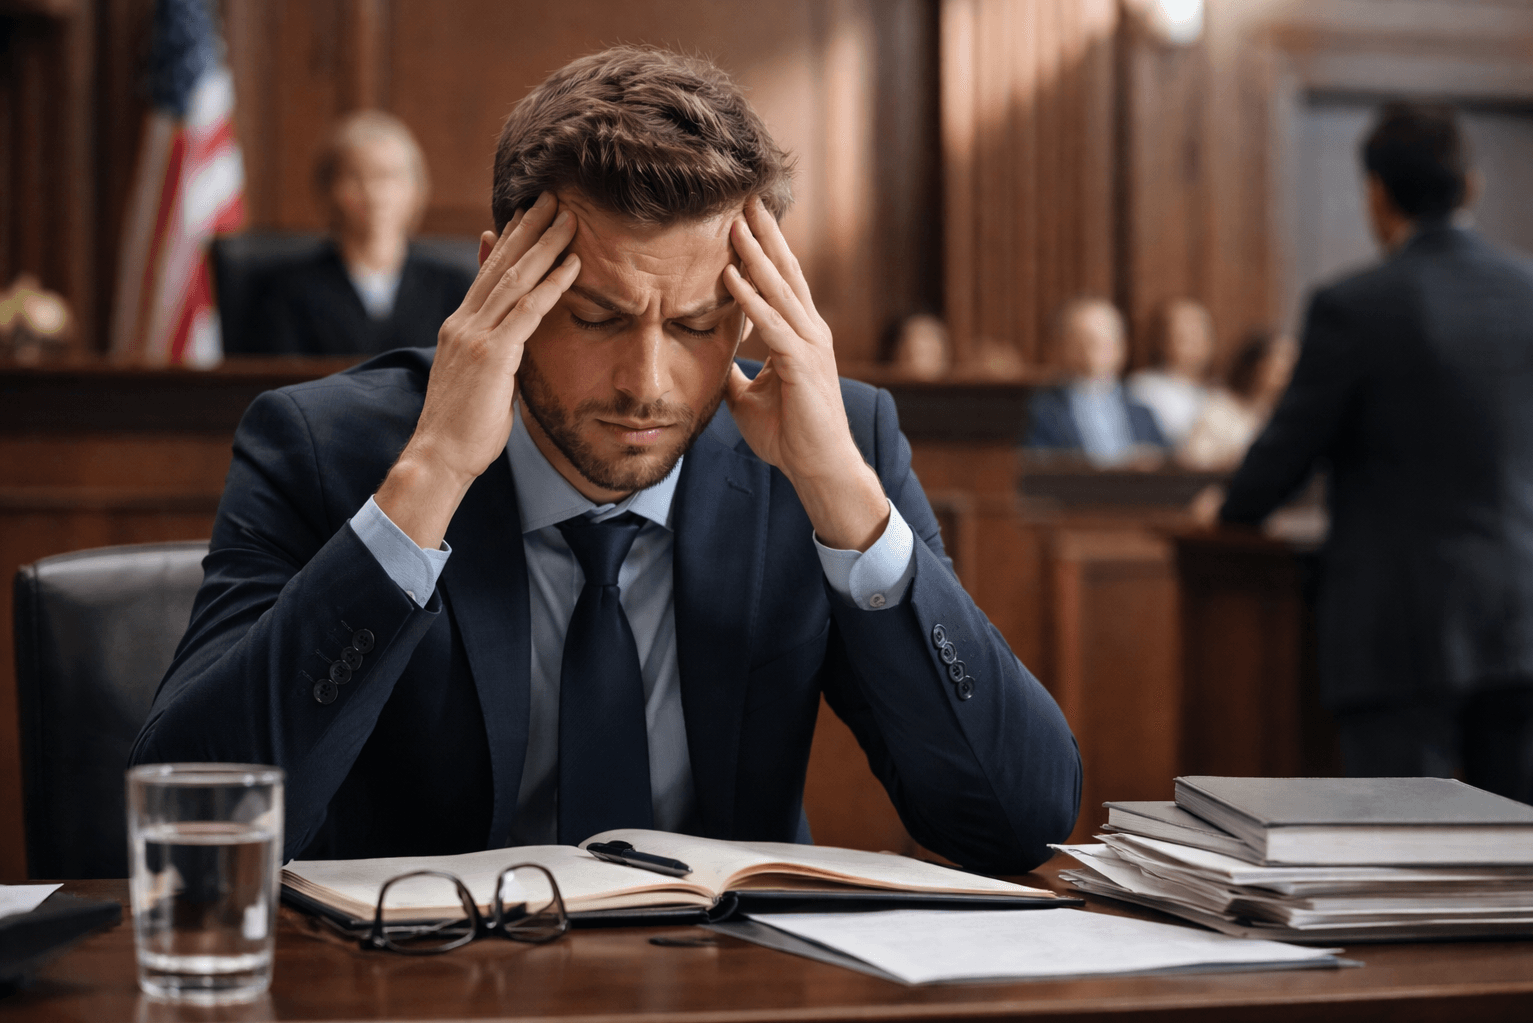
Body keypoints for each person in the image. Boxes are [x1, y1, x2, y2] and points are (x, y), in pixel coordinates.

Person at [130, 47, 1082, 871]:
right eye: (595, 318)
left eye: (699, 325)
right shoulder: (323, 446)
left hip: (731, 983)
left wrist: (845, 501)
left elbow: (1020, 821)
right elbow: (193, 822)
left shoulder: (834, 447)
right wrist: (428, 483)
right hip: (426, 984)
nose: (648, 386)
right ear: (502, 281)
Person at [1220, 102, 1533, 804]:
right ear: (1472, 185)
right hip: (1523, 618)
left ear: (1376, 195)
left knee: (1400, 846)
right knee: (1524, 850)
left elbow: (1286, 453)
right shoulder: (1530, 293)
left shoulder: (1355, 305)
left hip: (1401, 630)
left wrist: (1232, 510)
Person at [239, 111, 474, 356]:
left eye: (388, 176)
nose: (373, 194)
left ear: (418, 189)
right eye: (355, 176)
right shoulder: (285, 290)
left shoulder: (454, 288)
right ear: (328, 189)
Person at [1026, 297, 1165, 465]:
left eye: (1106, 339)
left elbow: (1167, 464)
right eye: (1083, 339)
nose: (1093, 349)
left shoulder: (1143, 413)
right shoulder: (1041, 411)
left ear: (1123, 346)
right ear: (1061, 346)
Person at [1177, 328, 1297, 471]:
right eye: (1282, 358)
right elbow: (1193, 460)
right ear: (1257, 364)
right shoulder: (1219, 407)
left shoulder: (1281, 415)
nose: (1289, 368)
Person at [1126, 299, 1216, 446]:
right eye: (1184, 336)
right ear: (1162, 339)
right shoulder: (1143, 388)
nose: (1195, 342)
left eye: (1200, 333)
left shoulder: (1219, 390)